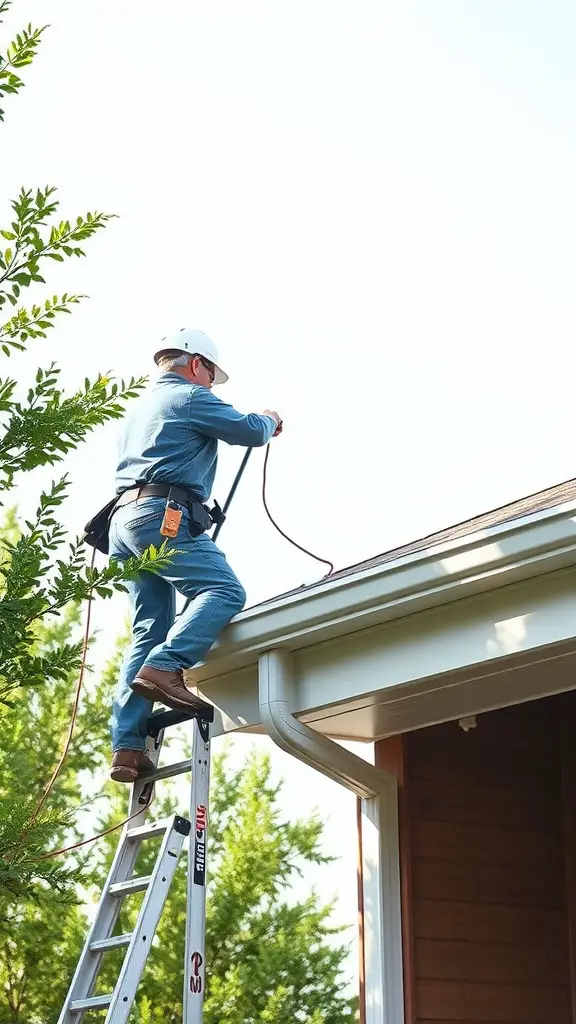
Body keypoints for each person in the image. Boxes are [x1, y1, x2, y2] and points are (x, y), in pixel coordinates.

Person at [108, 328, 282, 783]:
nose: (209, 384)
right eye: (210, 375)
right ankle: (167, 667)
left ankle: (127, 746)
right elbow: (247, 431)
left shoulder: (142, 408)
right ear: (195, 364)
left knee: (149, 628)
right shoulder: (186, 396)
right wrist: (267, 418)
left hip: (123, 525)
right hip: (159, 515)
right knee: (222, 589)